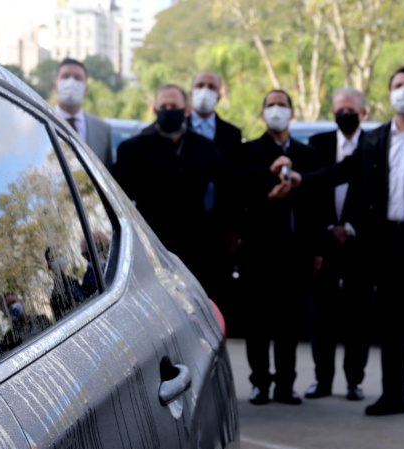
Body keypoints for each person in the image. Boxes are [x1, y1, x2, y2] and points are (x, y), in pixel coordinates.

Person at [287, 66, 404, 420]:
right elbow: (342, 171)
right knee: (390, 323)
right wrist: (302, 180)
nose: (403, 91)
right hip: (387, 244)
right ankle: (393, 396)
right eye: (397, 86)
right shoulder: (374, 139)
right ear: (389, 94)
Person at [112, 84, 282, 301]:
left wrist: (270, 173)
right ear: (154, 110)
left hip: (197, 251)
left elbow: (233, 179)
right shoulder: (133, 149)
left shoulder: (203, 146)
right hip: (153, 248)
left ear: (187, 110)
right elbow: (116, 197)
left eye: (174, 106)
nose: (169, 110)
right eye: (164, 106)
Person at [240, 90, 320, 406]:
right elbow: (240, 193)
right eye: (271, 106)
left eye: (282, 105)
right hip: (258, 252)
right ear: (262, 114)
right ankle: (260, 382)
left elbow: (315, 205)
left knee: (289, 322)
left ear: (292, 112)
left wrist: (316, 249)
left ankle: (286, 384)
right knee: (257, 322)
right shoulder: (249, 152)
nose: (276, 110)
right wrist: (269, 193)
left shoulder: (308, 154)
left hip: (295, 252)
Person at [304, 87, 373, 402]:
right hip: (324, 247)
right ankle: (322, 380)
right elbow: (311, 195)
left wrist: (351, 228)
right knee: (322, 317)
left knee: (358, 317)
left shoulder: (374, 146)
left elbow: (380, 199)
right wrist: (323, 235)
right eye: (340, 109)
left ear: (363, 113)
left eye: (351, 109)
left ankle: (354, 382)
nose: (345, 114)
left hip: (360, 247)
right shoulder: (317, 145)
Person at [188, 70, 245, 334]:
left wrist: (234, 228)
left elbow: (235, 184)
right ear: (191, 91)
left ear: (220, 94)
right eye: (200, 85)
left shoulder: (232, 135)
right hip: (186, 230)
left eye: (211, 86)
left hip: (219, 232)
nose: (205, 90)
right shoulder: (178, 129)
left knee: (217, 300)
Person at [53, 58, 113, 168]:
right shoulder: (39, 122)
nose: (71, 82)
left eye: (78, 78)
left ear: (86, 89)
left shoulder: (103, 130)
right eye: (65, 76)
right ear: (55, 86)